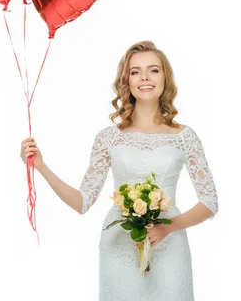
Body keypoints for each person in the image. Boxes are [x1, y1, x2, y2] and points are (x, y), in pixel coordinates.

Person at [20, 40, 219, 301]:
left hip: (169, 246)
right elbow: (82, 202)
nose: (145, 77)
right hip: (119, 245)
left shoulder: (185, 137)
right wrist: (41, 167)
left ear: (165, 78)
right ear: (127, 80)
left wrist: (168, 227)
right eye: (135, 71)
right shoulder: (108, 138)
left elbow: (210, 202)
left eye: (153, 70)